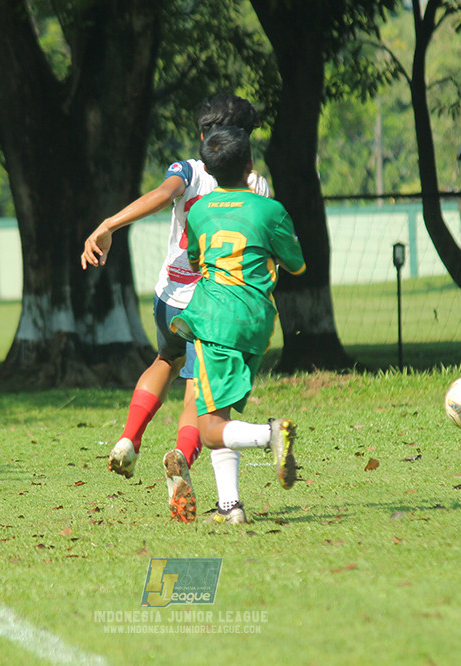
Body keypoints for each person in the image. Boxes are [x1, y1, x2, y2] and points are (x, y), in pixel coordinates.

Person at [80, 94, 270, 523]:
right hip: (213, 308)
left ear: (203, 136)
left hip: (170, 297)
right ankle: (182, 456)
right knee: (197, 391)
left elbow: (161, 194)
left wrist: (110, 224)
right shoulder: (256, 186)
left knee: (165, 359)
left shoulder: (187, 170)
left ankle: (130, 438)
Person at [170, 125, 306, 524]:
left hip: (216, 320)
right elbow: (296, 264)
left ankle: (270, 435)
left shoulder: (199, 210)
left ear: (209, 170)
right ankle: (231, 506)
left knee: (209, 428)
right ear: (250, 164)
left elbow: (197, 261)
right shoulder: (270, 210)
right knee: (222, 412)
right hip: (257, 323)